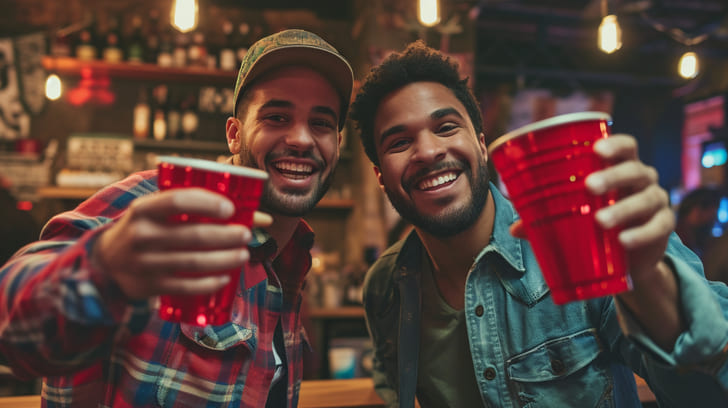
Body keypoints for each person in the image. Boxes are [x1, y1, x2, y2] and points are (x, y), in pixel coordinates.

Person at [349, 41, 728, 408]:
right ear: (381, 176)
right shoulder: (385, 286)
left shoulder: (582, 242)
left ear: (481, 145)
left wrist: (651, 283)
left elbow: (705, 394)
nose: (429, 151)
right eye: (399, 142)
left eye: (446, 127)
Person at [0, 29, 353, 407]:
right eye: (277, 117)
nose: (301, 138)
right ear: (234, 135)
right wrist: (105, 271)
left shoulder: (291, 257)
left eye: (321, 123)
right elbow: (8, 320)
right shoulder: (160, 204)